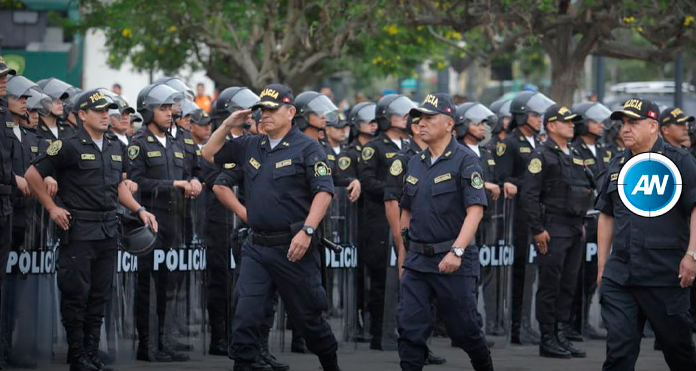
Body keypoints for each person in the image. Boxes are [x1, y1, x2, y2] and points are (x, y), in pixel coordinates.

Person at [202, 84, 341, 371]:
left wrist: (308, 230)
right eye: (261, 110)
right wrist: (229, 123)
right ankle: (243, 364)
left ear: (290, 112)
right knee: (246, 315)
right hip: (257, 246)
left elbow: (324, 192)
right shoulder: (251, 144)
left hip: (294, 247)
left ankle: (330, 362)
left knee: (309, 320)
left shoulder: (308, 148)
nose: (264, 115)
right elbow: (208, 153)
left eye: (271, 110)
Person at [24, 89, 158, 371]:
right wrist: (51, 207)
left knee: (99, 294)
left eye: (107, 111)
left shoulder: (114, 145)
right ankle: (77, 355)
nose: (105, 116)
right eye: (98, 111)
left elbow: (118, 186)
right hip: (79, 229)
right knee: (76, 293)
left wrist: (139, 209)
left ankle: (91, 352)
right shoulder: (67, 145)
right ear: (82, 115)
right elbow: (32, 175)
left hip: (108, 228)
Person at [597, 98, 696, 370]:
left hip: (665, 274)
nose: (625, 129)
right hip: (621, 276)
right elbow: (606, 215)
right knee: (618, 353)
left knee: (680, 353)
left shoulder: (680, 161)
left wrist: (692, 254)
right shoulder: (617, 164)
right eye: (623, 123)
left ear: (653, 126)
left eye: (633, 123)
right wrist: (603, 266)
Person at [397, 93, 493, 371]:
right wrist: (404, 255)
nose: (421, 123)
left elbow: (475, 210)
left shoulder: (465, 161)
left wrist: (457, 251)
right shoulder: (415, 162)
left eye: (429, 118)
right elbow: (407, 211)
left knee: (465, 330)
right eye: (419, 118)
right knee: (409, 328)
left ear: (449, 124)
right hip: (417, 261)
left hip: (453, 260)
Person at [128, 83, 199, 362]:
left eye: (171, 108)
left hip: (176, 221)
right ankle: (146, 344)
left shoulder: (178, 141)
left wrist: (195, 181)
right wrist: (174, 183)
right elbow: (136, 181)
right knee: (147, 284)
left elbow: (194, 171)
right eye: (163, 108)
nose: (170, 113)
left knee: (168, 284)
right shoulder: (139, 143)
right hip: (150, 221)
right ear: (148, 111)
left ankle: (164, 340)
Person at [521, 105, 592, 359]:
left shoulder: (572, 153)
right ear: (551, 125)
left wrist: (581, 222)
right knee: (551, 284)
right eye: (566, 122)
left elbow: (580, 188)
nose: (572, 125)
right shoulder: (542, 155)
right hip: (552, 228)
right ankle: (547, 338)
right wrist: (538, 230)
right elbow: (529, 196)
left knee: (568, 284)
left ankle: (561, 334)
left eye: (573, 121)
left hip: (573, 227)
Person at [496, 91, 555, 345]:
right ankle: (515, 328)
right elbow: (502, 177)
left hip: (533, 214)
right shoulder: (508, 143)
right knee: (519, 271)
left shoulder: (538, 144)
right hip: (515, 217)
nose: (539, 119)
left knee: (531, 273)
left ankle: (526, 325)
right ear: (521, 116)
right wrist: (530, 185)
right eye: (534, 114)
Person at [358, 94, 416, 349]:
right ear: (384, 118)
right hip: (380, 221)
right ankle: (379, 335)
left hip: (406, 218)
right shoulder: (375, 147)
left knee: (408, 278)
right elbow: (368, 181)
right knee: (381, 278)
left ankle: (407, 333)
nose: (405, 118)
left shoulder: (410, 146)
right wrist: (397, 191)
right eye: (399, 114)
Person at [570, 102, 613, 341]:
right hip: (583, 220)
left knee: (591, 276)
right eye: (595, 121)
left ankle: (585, 321)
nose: (600, 125)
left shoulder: (604, 150)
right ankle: (573, 324)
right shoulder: (575, 149)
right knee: (576, 276)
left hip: (600, 222)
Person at [0, 56, 18, 296]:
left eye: (5, 75)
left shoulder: (4, 112)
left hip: (5, 203)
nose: (4, 80)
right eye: (0, 76)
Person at [35, 78, 75, 142]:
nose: (60, 102)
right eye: (54, 99)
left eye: (61, 99)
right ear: (43, 102)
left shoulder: (69, 130)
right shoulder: (34, 130)